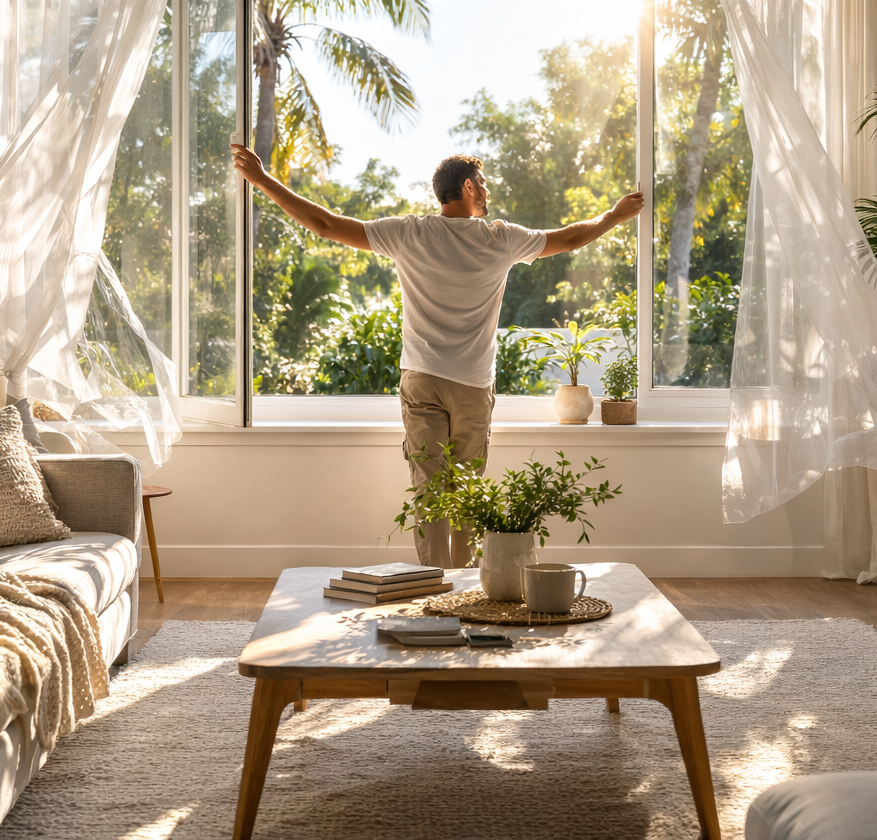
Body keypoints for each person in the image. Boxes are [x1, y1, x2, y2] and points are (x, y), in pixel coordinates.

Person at [231, 143, 644, 568]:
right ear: (467, 186)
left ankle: (433, 585)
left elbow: (324, 224)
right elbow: (572, 238)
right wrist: (613, 216)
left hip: (422, 379)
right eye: (482, 184)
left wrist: (262, 180)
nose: (486, 191)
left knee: (428, 490)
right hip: (472, 384)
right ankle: (464, 586)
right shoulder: (500, 239)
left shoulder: (409, 232)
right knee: (466, 491)